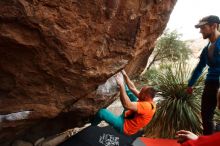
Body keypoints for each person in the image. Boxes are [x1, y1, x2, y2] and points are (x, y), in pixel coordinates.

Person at [91, 70, 156, 135]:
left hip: (125, 126)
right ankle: (122, 84)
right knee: (131, 94)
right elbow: (132, 88)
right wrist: (125, 75)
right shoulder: (147, 99)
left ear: (145, 96)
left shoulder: (147, 107)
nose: (139, 93)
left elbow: (127, 105)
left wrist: (121, 86)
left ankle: (92, 123)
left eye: (141, 93)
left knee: (102, 113)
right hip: (129, 115)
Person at [186, 15, 220, 135]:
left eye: (203, 27)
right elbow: (200, 67)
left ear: (214, 26)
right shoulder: (207, 49)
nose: (200, 31)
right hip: (210, 84)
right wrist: (190, 84)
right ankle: (207, 141)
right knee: (206, 116)